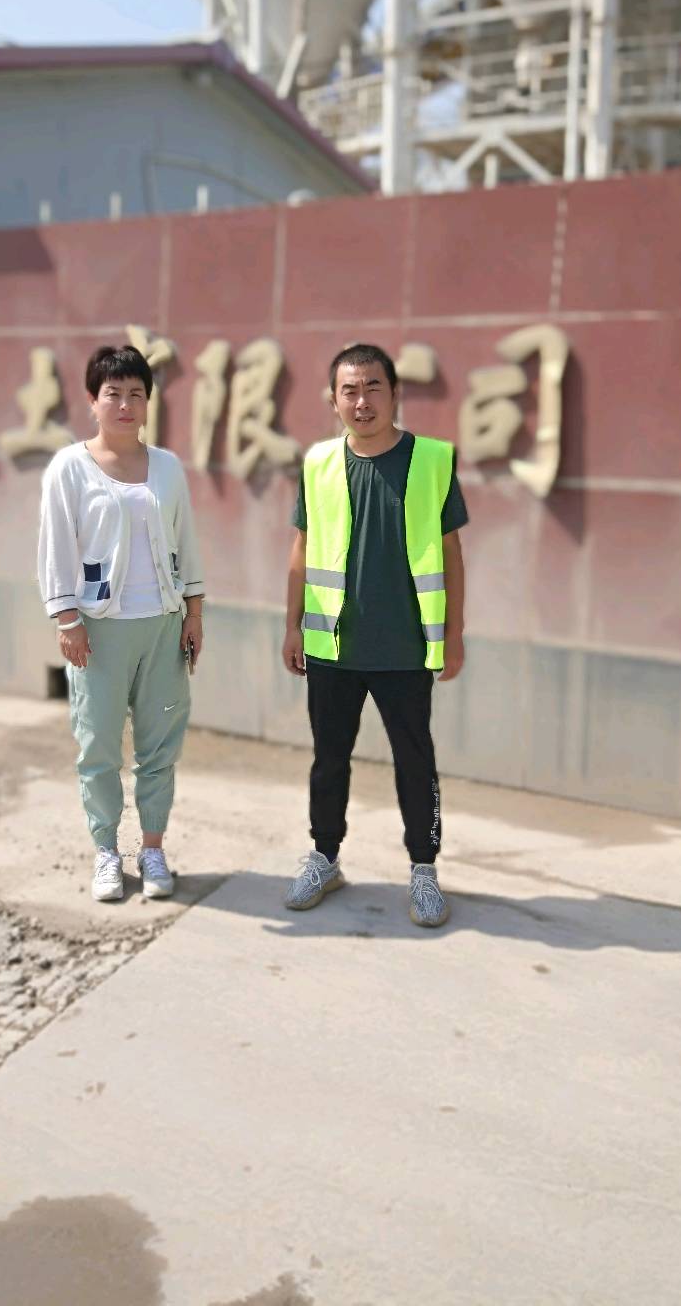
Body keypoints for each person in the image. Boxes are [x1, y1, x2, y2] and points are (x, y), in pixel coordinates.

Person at [281, 342, 468, 926]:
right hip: (332, 644)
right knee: (328, 760)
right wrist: (291, 625)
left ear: (394, 393)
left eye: (372, 388)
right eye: (349, 391)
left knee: (415, 760)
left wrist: (454, 634)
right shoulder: (317, 463)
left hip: (405, 648)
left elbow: (451, 553)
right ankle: (324, 857)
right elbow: (301, 548)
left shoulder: (431, 460)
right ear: (334, 400)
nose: (361, 402)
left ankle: (424, 870)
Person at [37, 344, 204, 903]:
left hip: (162, 625)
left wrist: (194, 612)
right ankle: (106, 851)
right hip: (99, 629)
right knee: (99, 747)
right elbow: (55, 547)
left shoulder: (168, 467)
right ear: (93, 401)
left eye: (136, 394)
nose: (126, 405)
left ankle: (152, 849)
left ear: (148, 402)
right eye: (114, 394)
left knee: (160, 746)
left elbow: (186, 541)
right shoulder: (70, 467)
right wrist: (67, 619)